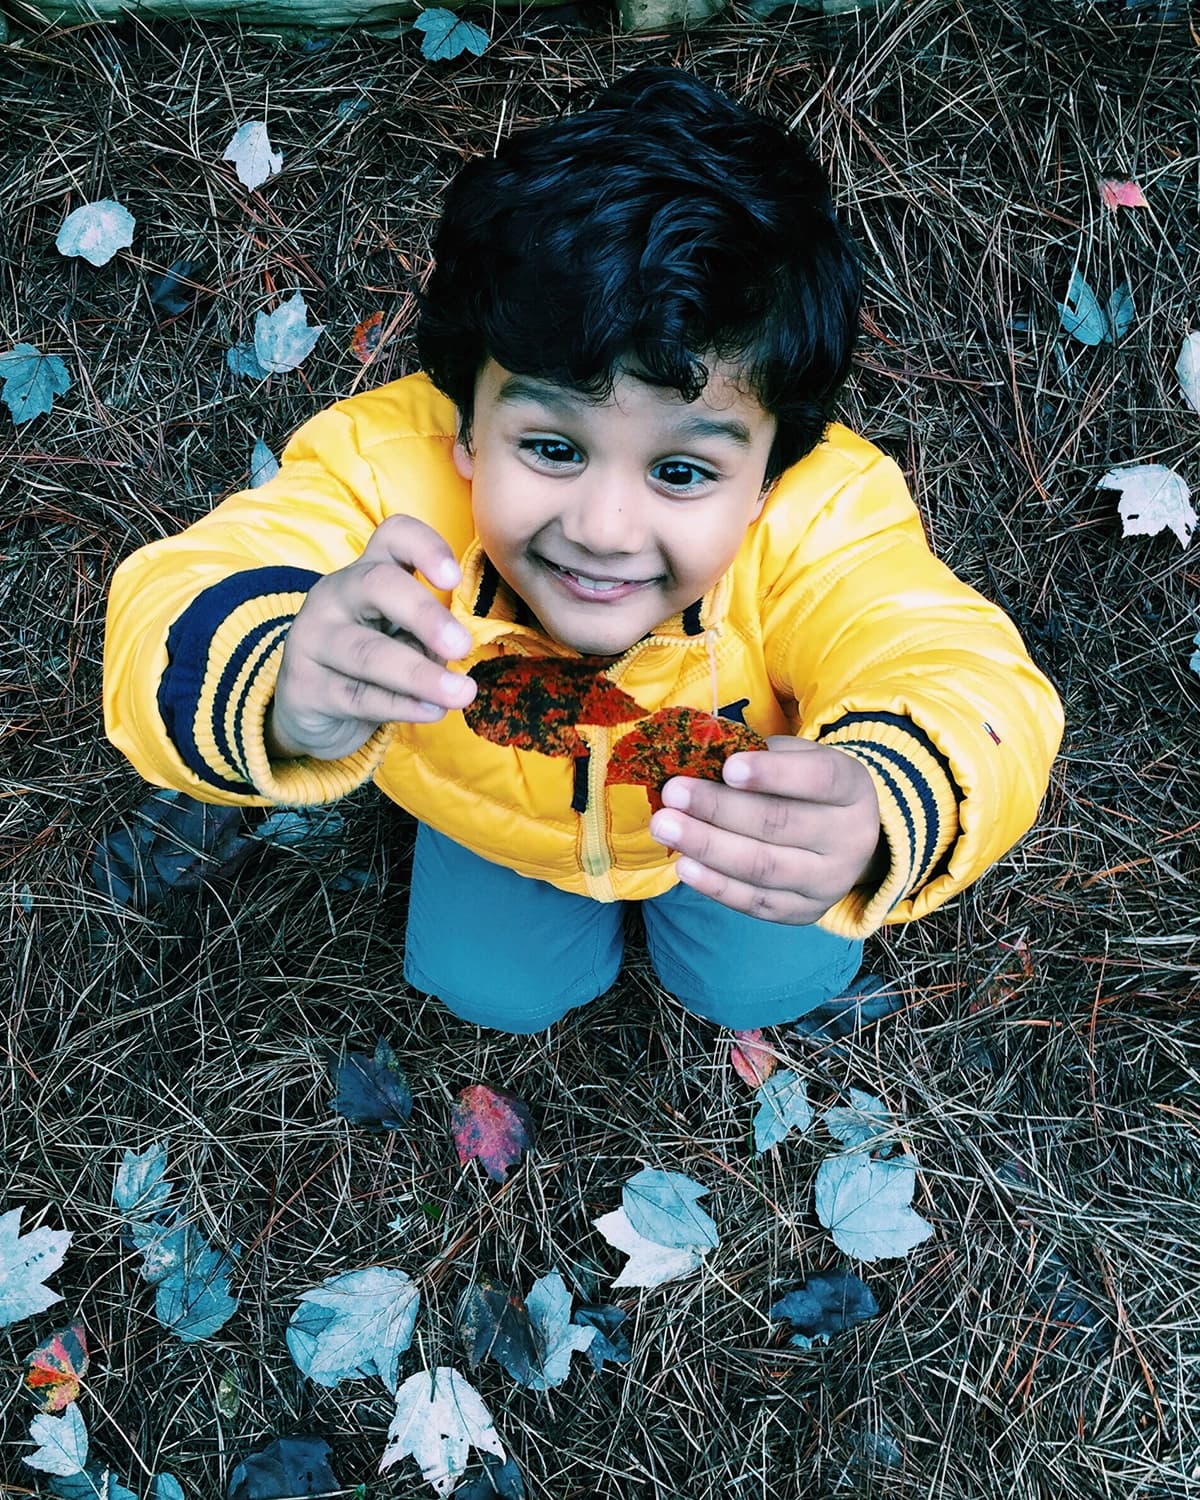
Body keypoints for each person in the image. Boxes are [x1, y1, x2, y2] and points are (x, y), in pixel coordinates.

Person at [103, 67, 1063, 1036]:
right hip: (492, 824)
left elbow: (946, 662)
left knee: (758, 988)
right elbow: (186, 590)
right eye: (555, 449)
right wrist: (279, 676)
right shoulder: (388, 471)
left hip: (731, 827)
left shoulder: (823, 514)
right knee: (499, 994)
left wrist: (887, 796)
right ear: (468, 426)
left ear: (769, 474)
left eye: (682, 473)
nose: (604, 528)